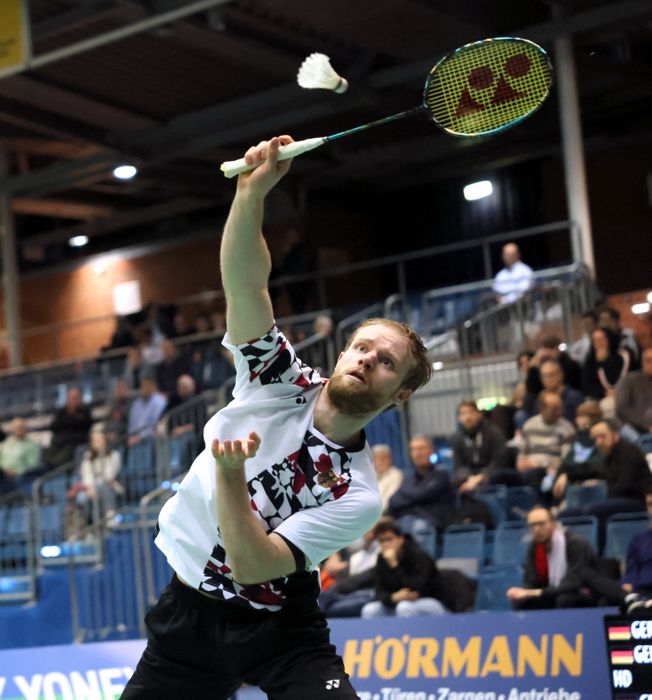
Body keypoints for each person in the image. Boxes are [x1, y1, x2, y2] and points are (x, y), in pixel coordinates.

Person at [121, 135, 433, 700]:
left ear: (401, 394)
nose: (368, 359)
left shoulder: (358, 494)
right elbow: (246, 286)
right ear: (341, 353)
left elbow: (253, 565)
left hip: (280, 630)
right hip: (186, 617)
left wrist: (232, 477)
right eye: (362, 347)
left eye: (387, 362)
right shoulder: (278, 380)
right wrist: (251, 194)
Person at [506, 506, 599, 609]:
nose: (536, 529)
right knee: (522, 602)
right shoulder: (534, 546)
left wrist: (533, 592)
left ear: (553, 524)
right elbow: (530, 581)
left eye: (541, 524)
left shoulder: (575, 543)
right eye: (532, 525)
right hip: (552, 592)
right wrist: (520, 592)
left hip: (583, 593)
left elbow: (573, 583)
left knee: (564, 599)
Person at [361, 518, 446, 618]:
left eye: (389, 539)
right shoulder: (381, 559)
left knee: (404, 607)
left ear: (400, 539)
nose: (386, 544)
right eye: (382, 541)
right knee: (369, 610)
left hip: (429, 602)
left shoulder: (417, 556)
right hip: (396, 602)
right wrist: (392, 598)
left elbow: (415, 587)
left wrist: (394, 565)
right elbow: (379, 592)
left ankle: (408, 634)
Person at [388, 434, 455, 531]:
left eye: (421, 449)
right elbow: (393, 501)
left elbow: (421, 495)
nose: (417, 454)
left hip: (433, 523)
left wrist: (406, 495)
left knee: (418, 527)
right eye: (414, 450)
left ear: (431, 451)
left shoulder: (441, 475)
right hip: (408, 519)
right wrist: (414, 497)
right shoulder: (408, 477)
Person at [517, 390, 576, 493]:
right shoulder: (529, 425)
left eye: (560, 407)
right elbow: (522, 454)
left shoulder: (567, 429)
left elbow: (565, 461)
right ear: (541, 409)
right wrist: (521, 463)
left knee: (536, 474)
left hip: (549, 471)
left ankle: (538, 506)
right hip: (527, 469)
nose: (559, 412)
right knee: (500, 476)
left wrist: (539, 464)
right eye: (554, 409)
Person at [552, 401, 605, 504]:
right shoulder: (576, 438)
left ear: (592, 418)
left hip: (594, 484)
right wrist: (561, 476)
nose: (577, 420)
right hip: (573, 484)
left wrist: (569, 475)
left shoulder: (601, 438)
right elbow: (566, 464)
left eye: (581, 416)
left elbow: (597, 466)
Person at [451, 400, 508, 492]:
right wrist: (469, 478)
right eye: (463, 414)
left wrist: (481, 477)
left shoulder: (494, 433)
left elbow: (499, 461)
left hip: (491, 474)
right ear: (459, 418)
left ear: (479, 414)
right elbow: (459, 465)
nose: (468, 417)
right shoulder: (457, 438)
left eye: (471, 412)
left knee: (491, 479)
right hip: (469, 476)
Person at [74, 429, 124, 523]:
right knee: (80, 498)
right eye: (94, 440)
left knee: (102, 486)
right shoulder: (88, 456)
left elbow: (110, 475)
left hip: (110, 486)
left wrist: (102, 453)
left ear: (105, 440)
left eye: (99, 440)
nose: (96, 443)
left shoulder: (114, 454)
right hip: (91, 488)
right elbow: (86, 473)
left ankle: (110, 519)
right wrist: (90, 486)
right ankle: (88, 524)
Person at [523, 359, 585, 423]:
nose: (548, 379)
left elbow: (581, 421)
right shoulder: (541, 398)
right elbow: (536, 419)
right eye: (544, 376)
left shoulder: (574, 397)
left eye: (551, 375)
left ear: (561, 374)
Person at [46, 387, 94, 469]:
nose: (74, 400)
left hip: (75, 442)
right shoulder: (61, 412)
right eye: (71, 398)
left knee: (67, 451)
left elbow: (84, 425)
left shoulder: (85, 411)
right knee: (48, 450)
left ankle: (54, 466)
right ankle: (49, 465)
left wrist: (73, 414)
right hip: (59, 442)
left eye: (76, 398)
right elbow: (53, 427)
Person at [582, 327, 632, 402]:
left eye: (601, 339)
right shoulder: (590, 361)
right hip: (600, 398)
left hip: (625, 394)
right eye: (596, 340)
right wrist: (603, 393)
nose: (599, 343)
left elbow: (625, 377)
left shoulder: (623, 356)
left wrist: (604, 363)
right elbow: (587, 386)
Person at [615, 346, 652, 440]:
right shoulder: (629, 380)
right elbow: (622, 408)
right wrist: (646, 425)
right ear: (642, 363)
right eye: (648, 361)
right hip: (632, 427)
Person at [0, 418, 42, 495]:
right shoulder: (6, 443)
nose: (18, 430)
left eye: (21, 427)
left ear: (26, 429)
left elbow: (33, 466)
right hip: (3, 474)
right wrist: (5, 471)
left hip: (20, 478)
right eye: (16, 428)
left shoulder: (32, 445)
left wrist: (15, 472)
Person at [127, 375, 167, 446]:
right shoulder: (137, 403)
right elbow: (132, 423)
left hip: (152, 439)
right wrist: (131, 436)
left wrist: (141, 437)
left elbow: (155, 422)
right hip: (135, 440)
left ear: (154, 386)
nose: (144, 388)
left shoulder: (160, 401)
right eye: (142, 386)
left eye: (147, 385)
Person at [371, 444, 403, 512]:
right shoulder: (371, 477)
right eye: (376, 459)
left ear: (390, 459)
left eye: (382, 459)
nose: (379, 462)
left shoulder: (396, 475)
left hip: (387, 514)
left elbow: (389, 501)